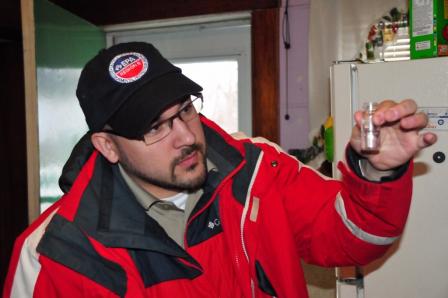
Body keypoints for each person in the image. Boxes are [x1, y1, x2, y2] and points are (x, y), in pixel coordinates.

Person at [3, 42, 437, 298]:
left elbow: (354, 239)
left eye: (186, 110)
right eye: (155, 127)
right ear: (107, 146)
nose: (186, 137)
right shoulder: (55, 256)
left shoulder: (255, 171)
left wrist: (376, 173)